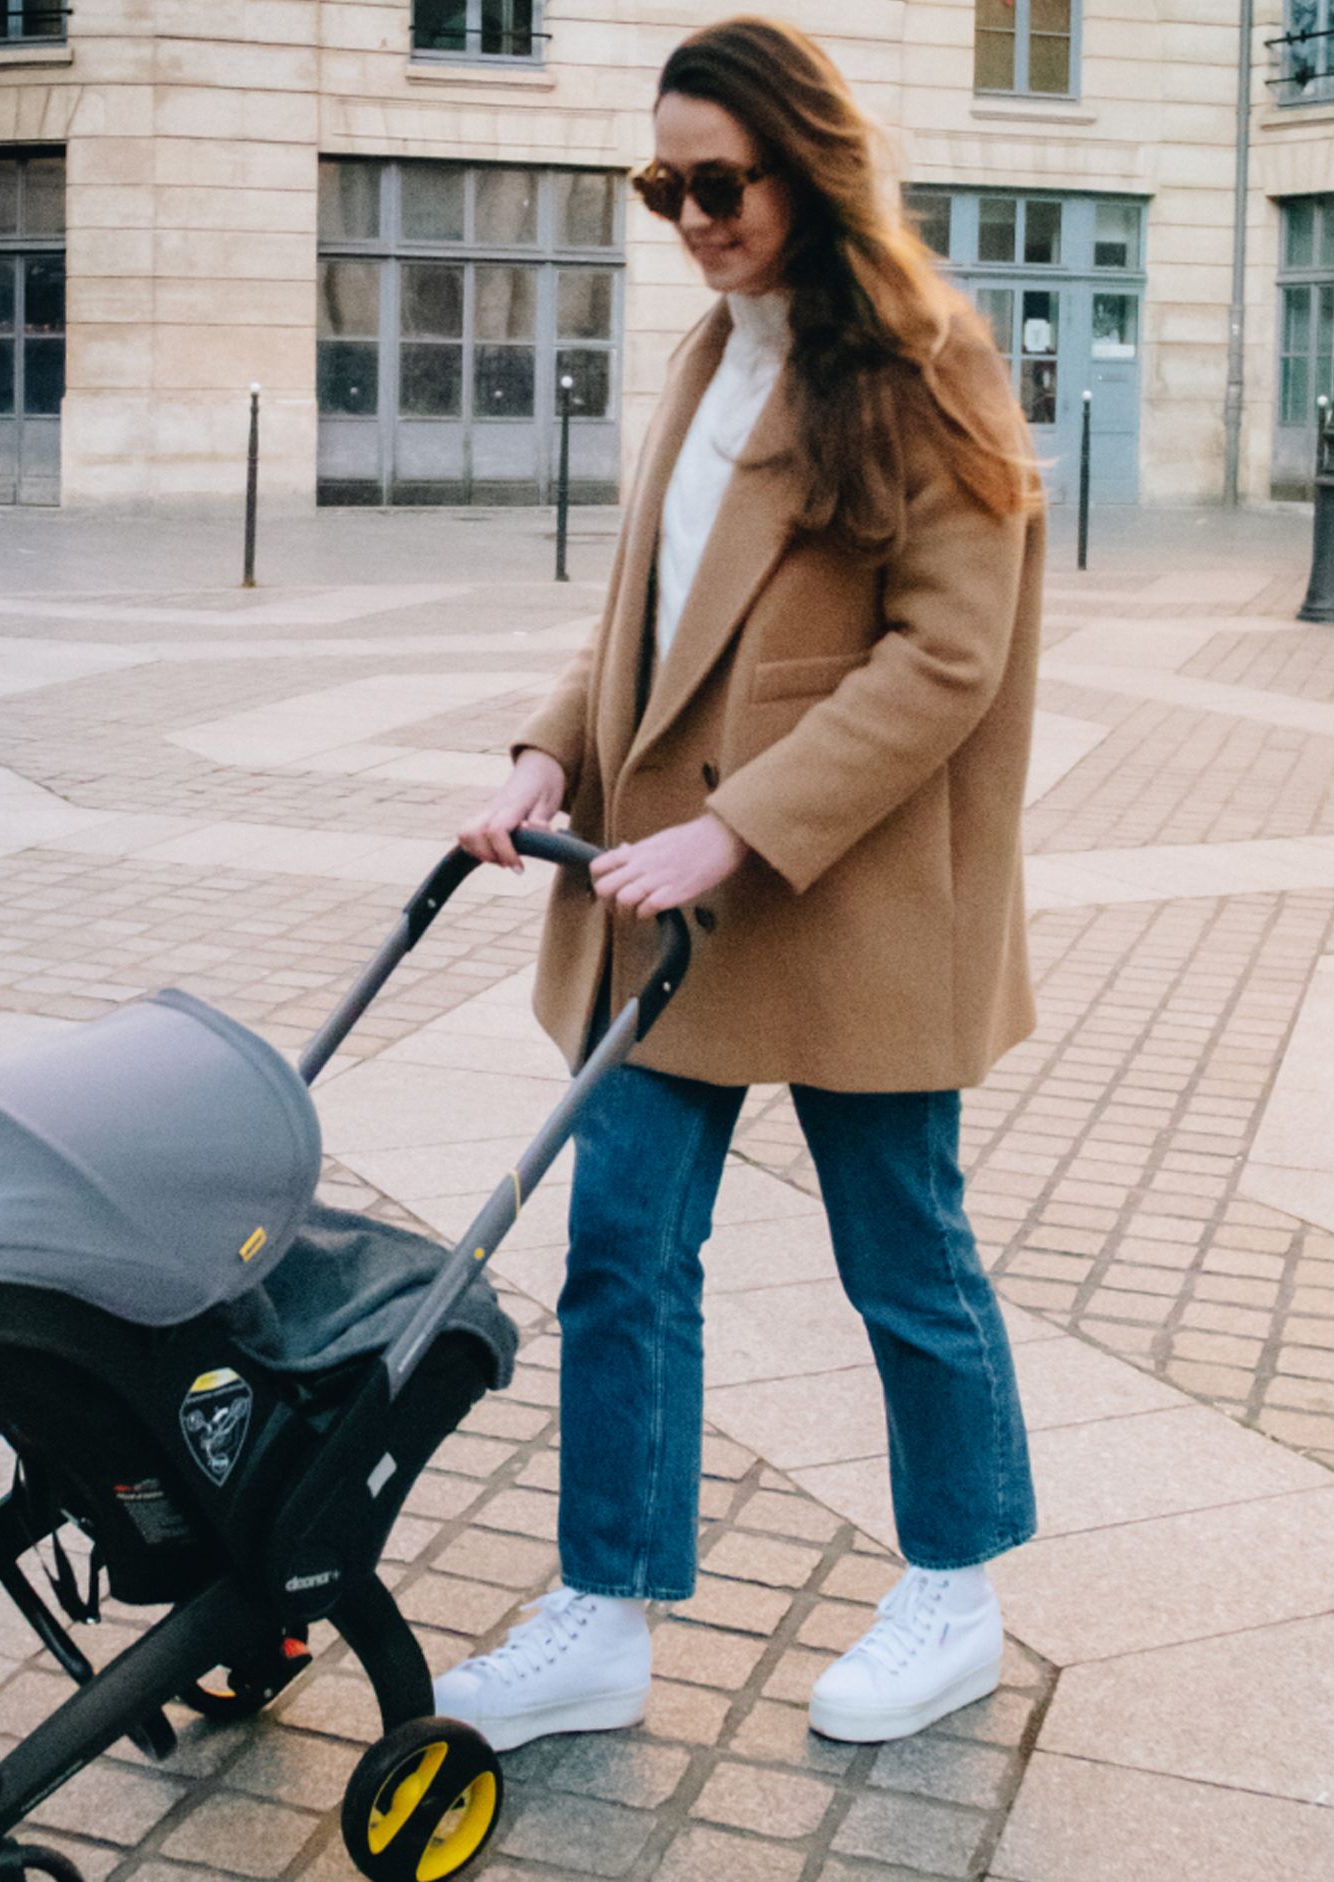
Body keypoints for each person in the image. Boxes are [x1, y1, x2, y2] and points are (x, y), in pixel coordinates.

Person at [439, 15, 1043, 1749]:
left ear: (808, 166)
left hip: (840, 897)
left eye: (719, 183)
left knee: (905, 1257)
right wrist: (547, 748)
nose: (691, 216)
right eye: (663, 186)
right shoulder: (714, 352)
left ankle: (955, 1590)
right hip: (661, 898)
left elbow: (949, 656)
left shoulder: (929, 363)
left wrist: (745, 825)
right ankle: (604, 1609)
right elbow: (646, 613)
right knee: (619, 1256)